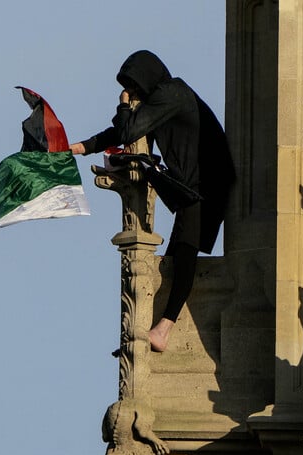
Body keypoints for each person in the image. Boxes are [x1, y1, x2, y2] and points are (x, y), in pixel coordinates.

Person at [70, 50, 234, 352]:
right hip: (193, 185)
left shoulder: (172, 94)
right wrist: (78, 148)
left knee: (184, 252)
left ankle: (163, 328)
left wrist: (123, 106)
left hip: (206, 184)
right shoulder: (162, 98)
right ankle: (148, 330)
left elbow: (128, 129)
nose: (131, 94)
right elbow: (119, 133)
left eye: (133, 86)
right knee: (174, 257)